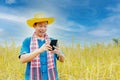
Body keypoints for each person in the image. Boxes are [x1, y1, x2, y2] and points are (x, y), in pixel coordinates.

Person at [19, 14, 65, 80]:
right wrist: (39, 50)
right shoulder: (27, 41)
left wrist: (60, 54)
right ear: (34, 26)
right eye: (40, 26)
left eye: (45, 26)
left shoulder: (52, 41)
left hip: (52, 77)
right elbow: (22, 60)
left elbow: (62, 60)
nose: (43, 29)